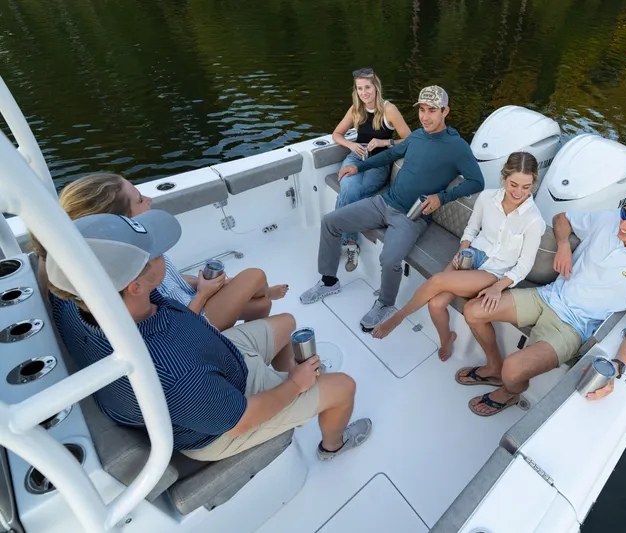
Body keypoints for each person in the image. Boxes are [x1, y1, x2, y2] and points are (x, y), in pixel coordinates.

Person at [47, 210, 371, 460]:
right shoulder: (175, 373)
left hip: (214, 362)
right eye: (155, 253)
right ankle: (332, 445)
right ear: (135, 285)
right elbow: (240, 419)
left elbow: (175, 329)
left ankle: (292, 390)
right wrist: (295, 385)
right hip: (222, 421)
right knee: (344, 387)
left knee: (286, 322)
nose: (164, 255)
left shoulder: (80, 299)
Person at [460, 187, 626, 416]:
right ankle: (494, 366)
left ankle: (511, 392)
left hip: (574, 326)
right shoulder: (610, 218)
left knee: (513, 370)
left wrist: (616, 367)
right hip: (547, 296)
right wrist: (564, 246)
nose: (623, 225)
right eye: (625, 215)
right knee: (473, 311)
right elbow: (561, 219)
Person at [300, 86, 485, 331]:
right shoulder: (417, 136)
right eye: (421, 110)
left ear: (445, 111)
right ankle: (328, 281)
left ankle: (386, 303)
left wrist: (442, 197)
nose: (425, 116)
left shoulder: (457, 146)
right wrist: (359, 167)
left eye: (432, 110)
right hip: (384, 202)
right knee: (331, 222)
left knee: (389, 258)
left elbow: (477, 181)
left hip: (413, 217)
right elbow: (389, 155)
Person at [33, 173, 287, 331]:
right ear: (117, 219)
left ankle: (250, 330)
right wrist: (202, 295)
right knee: (254, 276)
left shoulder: (134, 247)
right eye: (140, 199)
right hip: (190, 318)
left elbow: (169, 280)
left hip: (192, 297)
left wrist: (200, 284)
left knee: (261, 304)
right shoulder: (125, 273)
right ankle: (242, 332)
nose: (150, 201)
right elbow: (165, 326)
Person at [371, 152, 546, 363]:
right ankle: (447, 339)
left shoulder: (534, 220)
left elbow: (525, 265)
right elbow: (471, 229)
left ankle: (398, 318)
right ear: (504, 178)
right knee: (435, 305)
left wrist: (498, 287)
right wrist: (462, 250)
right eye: (513, 184)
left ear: (534, 183)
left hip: (494, 272)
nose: (518, 192)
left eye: (526, 187)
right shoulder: (487, 197)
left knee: (437, 281)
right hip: (470, 256)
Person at [332, 68, 412, 272]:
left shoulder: (389, 110)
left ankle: (336, 237)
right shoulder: (355, 109)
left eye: (367, 87)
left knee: (354, 191)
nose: (364, 92)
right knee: (349, 189)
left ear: (376, 87)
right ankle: (351, 243)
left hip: (379, 162)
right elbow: (337, 134)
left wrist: (384, 141)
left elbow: (410, 139)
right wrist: (351, 146)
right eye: (360, 88)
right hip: (355, 158)